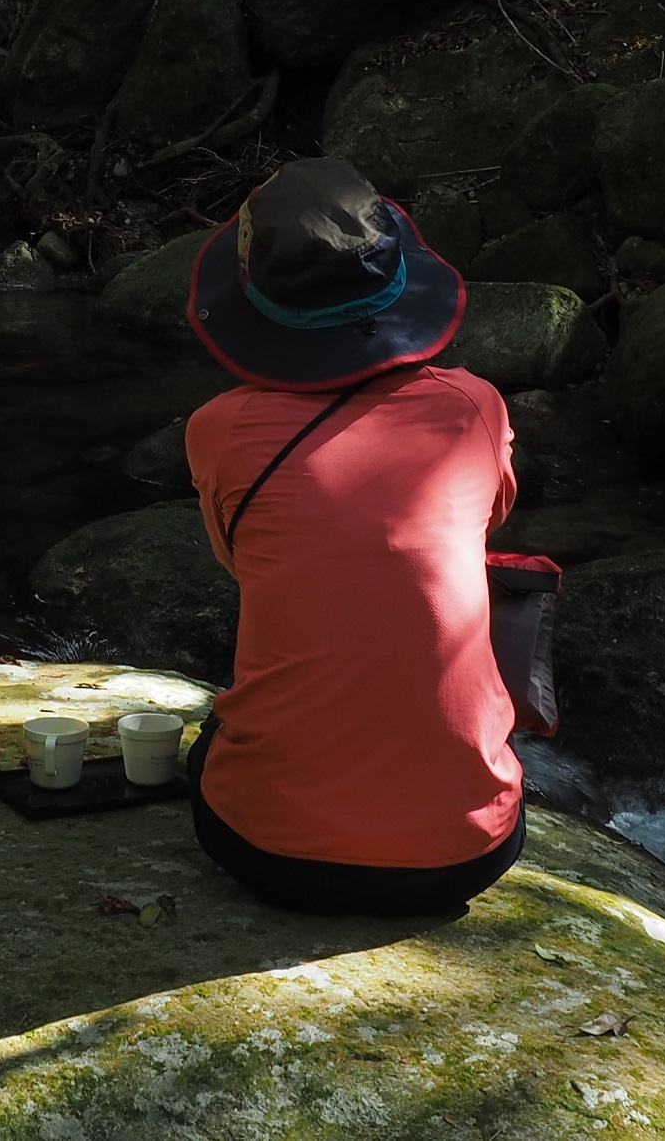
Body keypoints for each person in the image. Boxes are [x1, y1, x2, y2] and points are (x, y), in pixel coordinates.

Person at [179, 156, 523, 915]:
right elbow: (486, 526)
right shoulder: (475, 409)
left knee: (207, 743)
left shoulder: (220, 432)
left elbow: (246, 565)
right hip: (470, 853)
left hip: (270, 853)